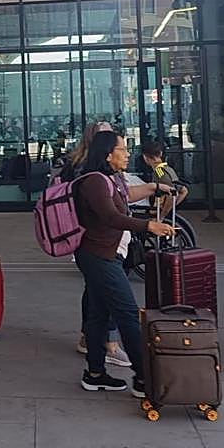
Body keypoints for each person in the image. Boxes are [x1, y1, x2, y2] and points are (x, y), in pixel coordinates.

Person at [74, 131, 175, 397]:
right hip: (99, 256)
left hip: (107, 254)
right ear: (108, 154)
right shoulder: (94, 181)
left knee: (98, 314)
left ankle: (95, 374)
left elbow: (125, 196)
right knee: (128, 314)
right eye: (123, 149)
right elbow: (111, 216)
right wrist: (148, 225)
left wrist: (154, 187)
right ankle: (144, 378)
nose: (128, 153)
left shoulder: (111, 178)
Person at [140, 138, 189, 215]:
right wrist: (173, 206)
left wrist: (163, 213)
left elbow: (170, 192)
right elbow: (184, 190)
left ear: (145, 157)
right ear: (161, 153)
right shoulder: (168, 169)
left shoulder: (159, 171)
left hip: (158, 211)